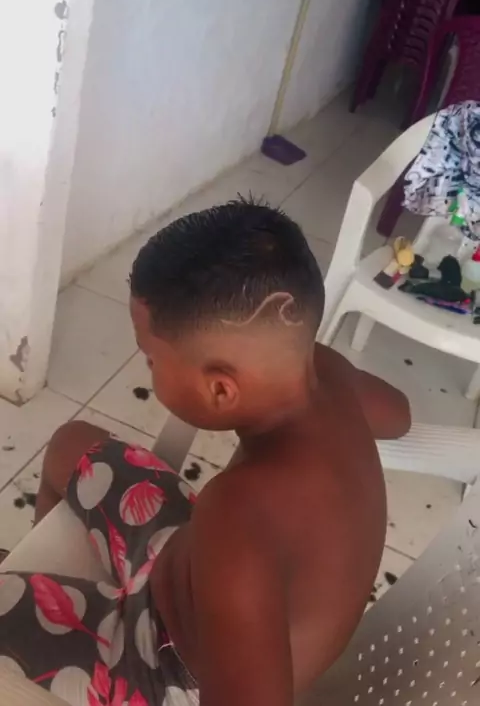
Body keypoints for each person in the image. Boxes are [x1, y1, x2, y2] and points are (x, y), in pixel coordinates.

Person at [0, 199, 410, 706]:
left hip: (163, 669)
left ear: (220, 390)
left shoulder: (238, 516)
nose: (148, 368)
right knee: (71, 446)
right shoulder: (325, 372)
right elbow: (400, 414)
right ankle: (52, 576)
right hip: (189, 576)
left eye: (152, 359)